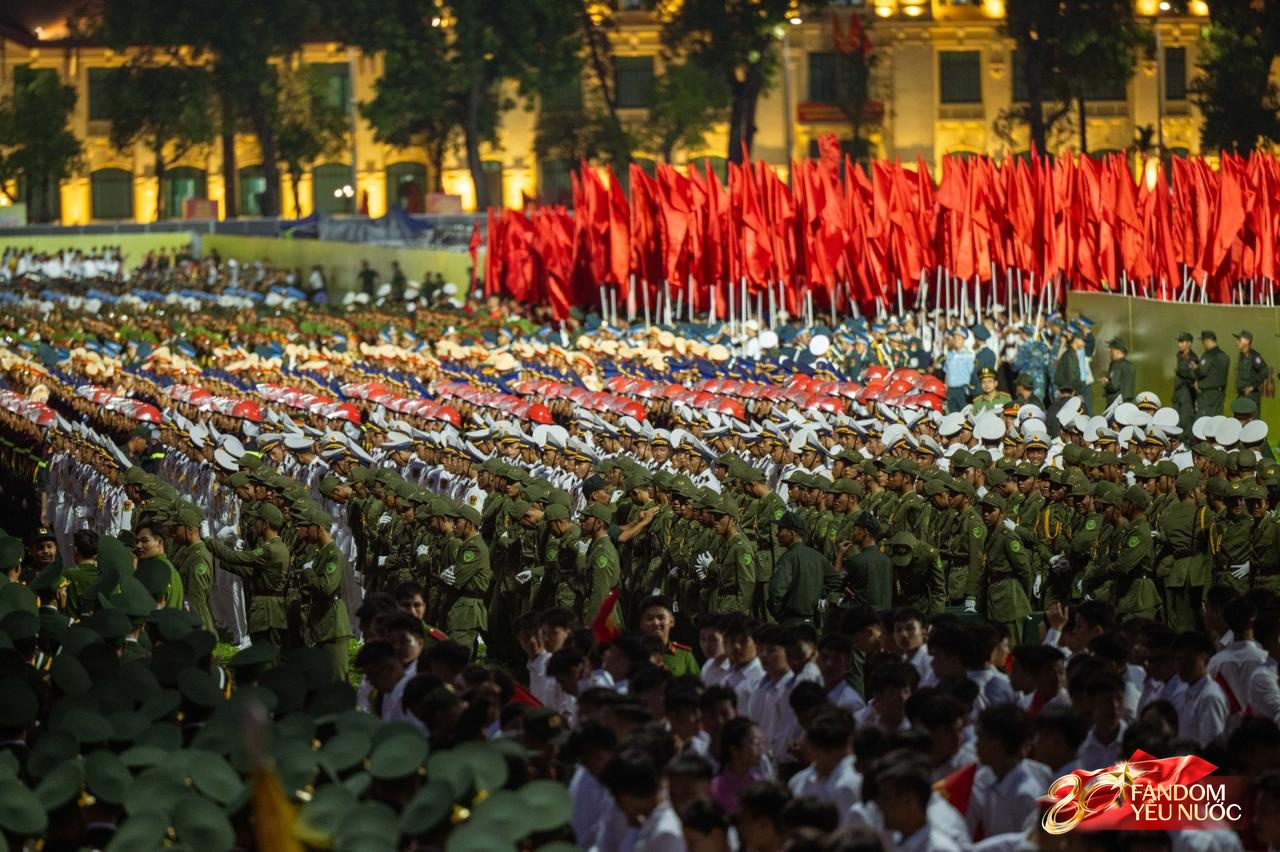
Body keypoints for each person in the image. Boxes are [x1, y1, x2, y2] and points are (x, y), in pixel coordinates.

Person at [1234, 329, 1271, 412]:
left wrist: (1252, 387)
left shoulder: (1254, 356)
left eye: (1239, 340)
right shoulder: (1241, 355)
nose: (1237, 342)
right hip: (1241, 395)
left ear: (1247, 341)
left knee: (1252, 422)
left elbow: (1265, 371)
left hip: (1251, 397)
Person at [1197, 329, 1230, 416]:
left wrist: (1194, 369)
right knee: (1217, 419)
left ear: (1207, 341)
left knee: (1204, 421)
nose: (1203, 344)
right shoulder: (1225, 356)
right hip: (1220, 394)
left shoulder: (1208, 355)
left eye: (1203, 342)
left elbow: (1201, 372)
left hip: (1208, 396)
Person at [1173, 331, 1200, 431]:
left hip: (1187, 392)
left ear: (1189, 343)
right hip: (1177, 392)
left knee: (1185, 420)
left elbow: (1192, 375)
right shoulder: (1179, 355)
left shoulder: (1193, 358)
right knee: (1174, 418)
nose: (1179, 344)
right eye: (1179, 342)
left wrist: (1179, 371)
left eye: (1182, 342)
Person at [1100, 337, 1135, 406]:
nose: (1108, 350)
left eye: (1111, 348)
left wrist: (1105, 383)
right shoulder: (1130, 365)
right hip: (1128, 403)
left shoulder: (1117, 365)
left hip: (1116, 404)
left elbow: (1114, 386)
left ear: (1118, 351)